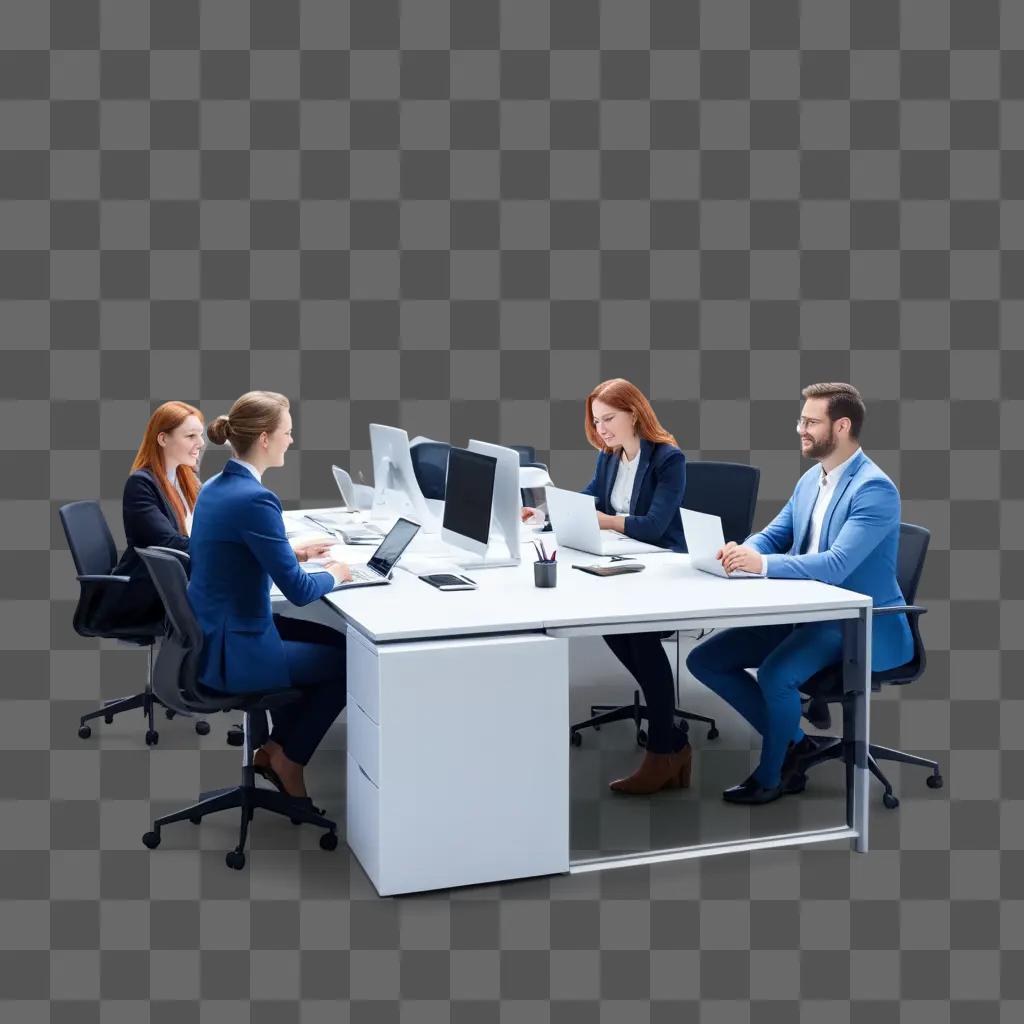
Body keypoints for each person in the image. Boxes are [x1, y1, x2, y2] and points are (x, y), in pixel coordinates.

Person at [686, 382, 914, 805]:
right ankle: (797, 742)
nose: (801, 430)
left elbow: (837, 564)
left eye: (811, 422)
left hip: (858, 623)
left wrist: (763, 566)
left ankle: (775, 776)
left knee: (776, 674)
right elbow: (774, 534)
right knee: (706, 660)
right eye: (801, 420)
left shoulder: (874, 490)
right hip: (809, 612)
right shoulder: (813, 478)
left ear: (842, 426)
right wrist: (744, 551)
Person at [523, 378, 691, 794]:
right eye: (597, 421)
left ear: (634, 413)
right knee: (615, 629)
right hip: (622, 563)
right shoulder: (610, 457)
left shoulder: (669, 460)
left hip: (662, 569)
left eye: (609, 419)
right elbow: (587, 499)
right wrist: (543, 514)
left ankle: (663, 750)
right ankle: (669, 733)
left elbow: (654, 526)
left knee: (638, 638)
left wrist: (602, 521)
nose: (602, 429)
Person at [188, 391, 352, 809]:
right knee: (352, 664)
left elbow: (232, 552)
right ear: (264, 438)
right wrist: (335, 573)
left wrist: (292, 554)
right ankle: (287, 758)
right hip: (236, 649)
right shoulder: (256, 499)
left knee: (338, 643)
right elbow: (298, 591)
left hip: (216, 632)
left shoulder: (214, 486)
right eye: (287, 433)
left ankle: (276, 748)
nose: (290, 441)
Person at [97, 401, 206, 630]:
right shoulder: (141, 484)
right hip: (149, 592)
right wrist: (226, 548)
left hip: (178, 585)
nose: (201, 443)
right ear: (163, 439)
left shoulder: (187, 480)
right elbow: (168, 544)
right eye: (190, 436)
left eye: (200, 435)